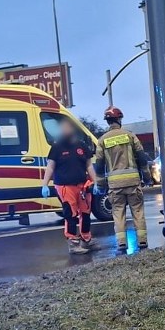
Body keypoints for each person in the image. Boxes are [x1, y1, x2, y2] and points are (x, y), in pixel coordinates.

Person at [95, 106, 150, 253]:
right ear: (119, 120)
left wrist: (100, 185)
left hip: (115, 185)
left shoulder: (102, 141)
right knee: (138, 211)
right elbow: (142, 159)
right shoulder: (130, 136)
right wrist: (147, 177)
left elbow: (99, 165)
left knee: (118, 213)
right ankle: (143, 241)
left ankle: (121, 244)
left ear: (107, 122)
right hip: (133, 182)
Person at [41, 118, 98, 254]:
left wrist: (95, 182)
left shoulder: (82, 146)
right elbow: (50, 167)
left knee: (85, 213)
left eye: (69, 127)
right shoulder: (57, 147)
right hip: (65, 186)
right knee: (71, 215)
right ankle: (73, 242)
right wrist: (44, 184)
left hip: (83, 186)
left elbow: (89, 165)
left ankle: (86, 239)